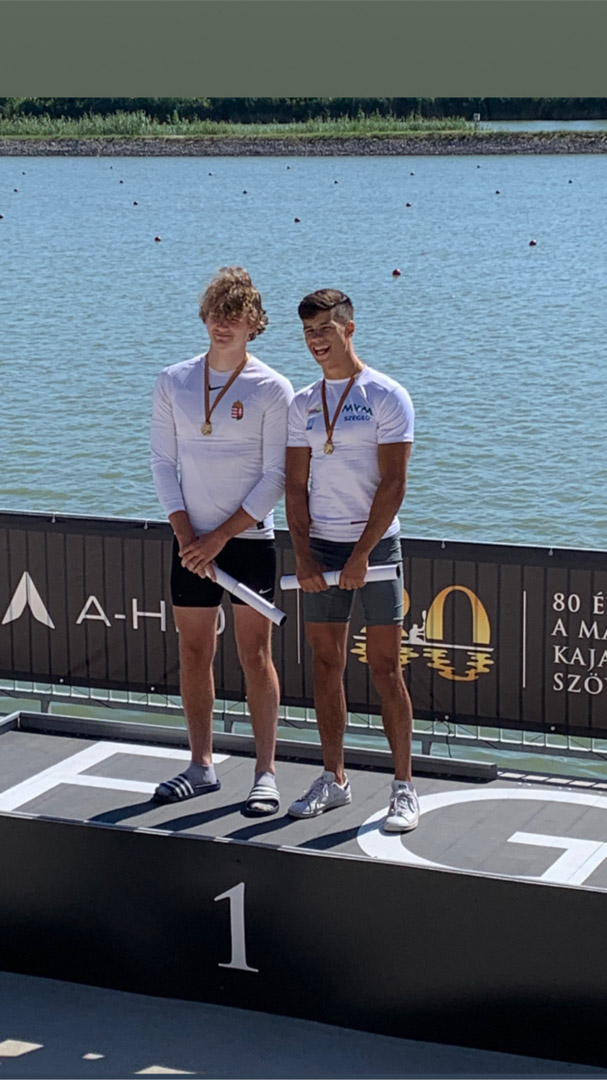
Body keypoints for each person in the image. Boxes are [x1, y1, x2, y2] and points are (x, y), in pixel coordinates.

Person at [150, 267, 293, 815]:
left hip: (248, 540)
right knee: (194, 653)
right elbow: (162, 464)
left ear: (254, 324)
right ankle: (201, 766)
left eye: (234, 316)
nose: (222, 324)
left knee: (255, 657)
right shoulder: (173, 381)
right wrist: (188, 535)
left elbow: (276, 476)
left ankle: (265, 773)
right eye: (215, 313)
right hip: (189, 542)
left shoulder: (273, 388)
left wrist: (219, 538)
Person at [285, 288, 419, 832]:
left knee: (385, 669)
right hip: (321, 547)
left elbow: (394, 484)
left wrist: (363, 553)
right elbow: (295, 486)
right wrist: (302, 554)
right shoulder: (301, 403)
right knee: (326, 665)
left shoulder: (387, 395)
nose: (316, 341)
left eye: (325, 330)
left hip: (377, 547)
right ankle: (334, 779)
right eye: (308, 333)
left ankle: (404, 787)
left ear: (349, 328)